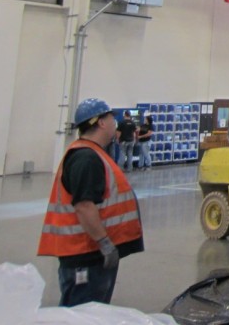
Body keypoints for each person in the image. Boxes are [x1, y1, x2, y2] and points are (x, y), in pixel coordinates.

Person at [38, 98, 144, 307]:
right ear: (101, 123)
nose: (115, 123)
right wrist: (105, 244)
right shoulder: (86, 158)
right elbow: (84, 206)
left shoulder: (91, 154)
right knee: (82, 314)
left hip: (89, 254)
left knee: (90, 313)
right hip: (86, 256)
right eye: (111, 118)